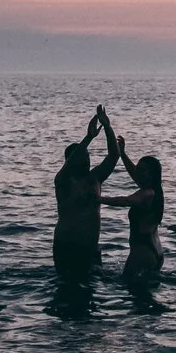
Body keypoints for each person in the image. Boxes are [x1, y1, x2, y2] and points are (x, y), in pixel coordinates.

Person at [51, 106, 120, 280]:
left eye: (88, 156)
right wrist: (88, 137)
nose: (86, 160)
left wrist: (107, 128)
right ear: (70, 161)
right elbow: (70, 165)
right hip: (67, 244)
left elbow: (113, 156)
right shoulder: (63, 181)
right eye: (82, 156)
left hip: (90, 245)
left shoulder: (95, 178)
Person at [104, 132, 165, 284]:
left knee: (131, 291)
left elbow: (125, 201)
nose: (137, 171)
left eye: (143, 170)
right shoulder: (155, 191)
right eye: (139, 168)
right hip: (155, 251)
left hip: (143, 252)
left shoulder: (146, 194)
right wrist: (123, 154)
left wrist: (98, 199)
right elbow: (135, 173)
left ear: (151, 175)